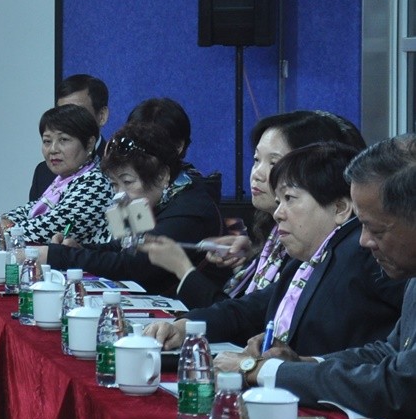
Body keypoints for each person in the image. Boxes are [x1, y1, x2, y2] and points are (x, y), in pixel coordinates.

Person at [143, 142, 402, 356]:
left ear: (340, 208)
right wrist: (185, 326)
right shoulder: (307, 259)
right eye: (278, 202)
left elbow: (391, 356)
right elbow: (249, 309)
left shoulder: (366, 252)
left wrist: (291, 367)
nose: (278, 214)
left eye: (290, 199)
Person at [239, 135, 416, 419]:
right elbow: (389, 352)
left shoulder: (362, 260)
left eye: (376, 230)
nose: (364, 241)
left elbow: (401, 387)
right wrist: (301, 364)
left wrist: (270, 372)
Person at [138, 110, 367, 308]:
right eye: (257, 159)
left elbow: (246, 320)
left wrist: (182, 268)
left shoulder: (320, 251)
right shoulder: (273, 237)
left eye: (274, 163)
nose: (257, 174)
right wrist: (252, 253)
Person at [42, 121, 222, 296]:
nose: (120, 194)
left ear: (162, 176)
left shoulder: (190, 210)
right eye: (114, 184)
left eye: (127, 182)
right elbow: (123, 245)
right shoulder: (148, 200)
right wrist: (80, 248)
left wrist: (61, 256)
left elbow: (134, 267)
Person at [1, 105, 114, 245]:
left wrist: (3, 229)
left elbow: (47, 229)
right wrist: (3, 221)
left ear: (90, 144)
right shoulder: (63, 180)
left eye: (63, 140)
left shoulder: (96, 183)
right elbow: (28, 210)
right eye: (47, 141)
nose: (53, 149)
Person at [28, 75, 109, 202]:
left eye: (77, 113)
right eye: (62, 112)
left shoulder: (116, 167)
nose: (66, 120)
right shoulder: (43, 172)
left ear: (102, 116)